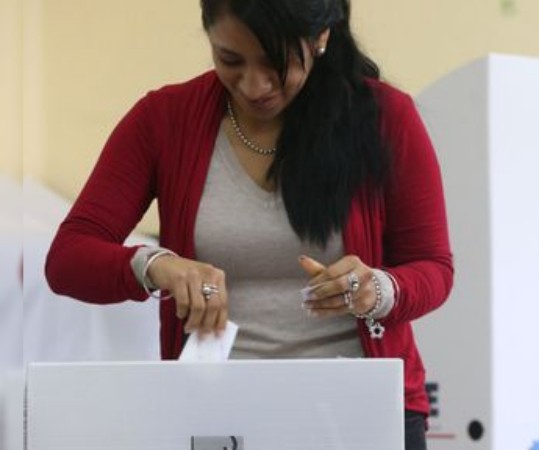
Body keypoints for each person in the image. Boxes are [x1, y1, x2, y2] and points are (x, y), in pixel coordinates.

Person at [45, 0, 453, 448]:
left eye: (278, 62)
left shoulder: (386, 117)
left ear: (320, 38)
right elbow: (68, 258)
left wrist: (379, 289)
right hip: (219, 416)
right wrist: (155, 265)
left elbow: (433, 267)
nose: (254, 86)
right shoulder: (164, 120)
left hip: (359, 412)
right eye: (230, 60)